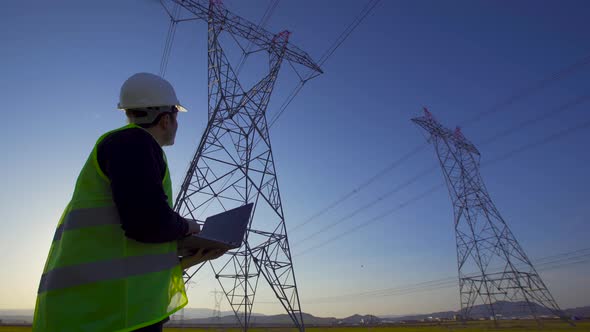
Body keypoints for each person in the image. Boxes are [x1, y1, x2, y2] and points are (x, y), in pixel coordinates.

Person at [33, 73, 223, 331]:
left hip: (110, 310)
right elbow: (146, 223)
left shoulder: (129, 146)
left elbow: (125, 244)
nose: (177, 124)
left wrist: (185, 258)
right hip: (101, 316)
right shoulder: (133, 143)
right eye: (177, 116)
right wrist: (189, 227)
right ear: (166, 119)